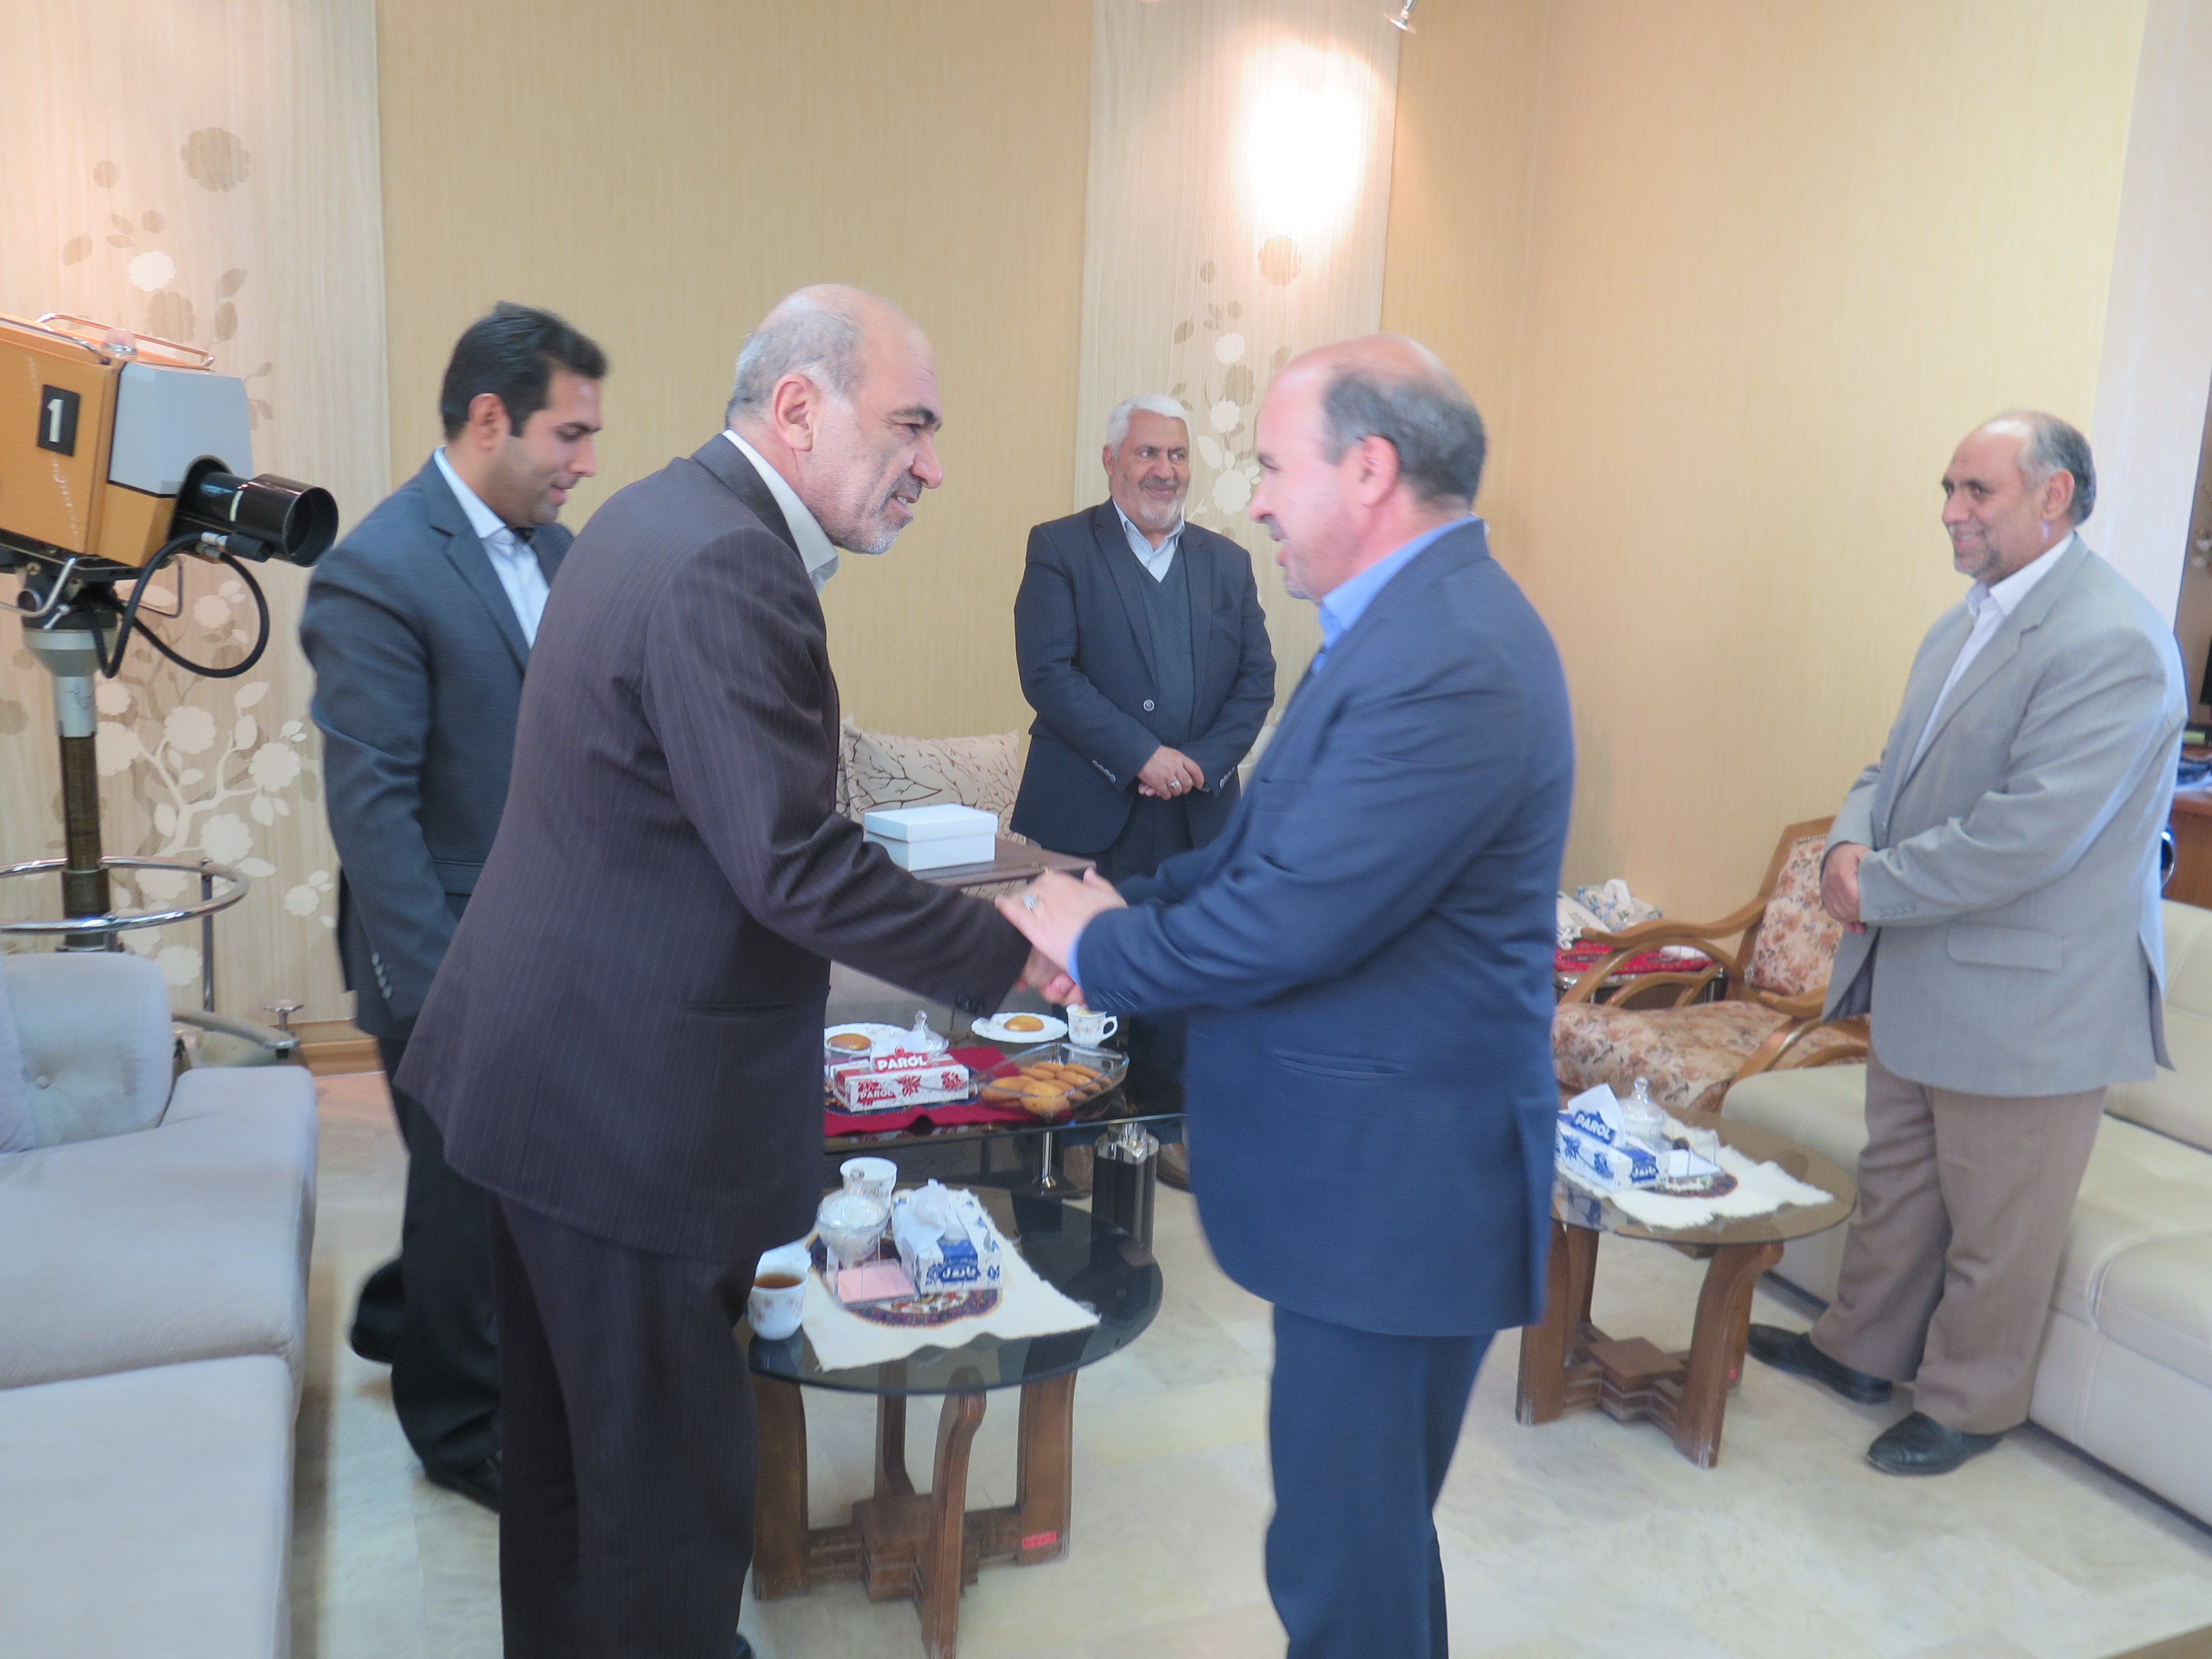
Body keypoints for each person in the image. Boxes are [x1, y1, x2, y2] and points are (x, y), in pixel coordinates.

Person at [395, 286, 1046, 1659]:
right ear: (799, 409)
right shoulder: (726, 565)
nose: (932, 467)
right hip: (621, 1114)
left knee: (567, 1473)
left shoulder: (655, 513)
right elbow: (789, 864)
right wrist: (1020, 945)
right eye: (912, 426)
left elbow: (706, 820)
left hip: (542, 1079)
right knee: (668, 1505)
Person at [1000, 336, 1571, 1659]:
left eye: (1268, 466)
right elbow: (1260, 855)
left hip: (1398, 1193)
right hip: (1367, 1187)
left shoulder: (1452, 653)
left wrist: (1103, 949)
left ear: (1367, 469)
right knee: (1360, 1545)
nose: (1249, 500)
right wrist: (1116, 901)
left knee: (1338, 1569)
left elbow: (1291, 920)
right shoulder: (1397, 625)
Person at [1747, 413, 2185, 1475]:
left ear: (2055, 497)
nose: (1951, 512)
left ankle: (1969, 1405)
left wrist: (1875, 886)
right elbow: (1889, 767)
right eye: (1948, 488)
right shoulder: (1964, 624)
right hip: (1927, 970)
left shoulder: (2116, 641)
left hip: (2034, 999)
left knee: (2000, 1227)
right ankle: (1858, 1351)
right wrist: (1845, 846)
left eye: (1977, 491)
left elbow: (2030, 833)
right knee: (1897, 1190)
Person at [299, 302, 606, 1511]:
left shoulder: (561, 554)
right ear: (491, 418)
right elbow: (372, 809)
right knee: (466, 1189)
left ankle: (407, 1314)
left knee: (505, 1186)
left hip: (555, 936)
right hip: (443, 947)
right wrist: (442, 1000)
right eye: (569, 433)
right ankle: (459, 1428)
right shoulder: (377, 569)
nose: (586, 461)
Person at [1009, 393, 1275, 1181]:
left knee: (1183, 979)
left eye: (1178, 454)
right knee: (1078, 977)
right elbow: (1048, 673)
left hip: (1198, 815)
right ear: (1111, 461)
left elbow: (1256, 680)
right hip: (1087, 810)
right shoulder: (1060, 547)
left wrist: (1201, 761)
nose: (1165, 470)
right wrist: (1141, 756)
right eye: (1148, 452)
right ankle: (1071, 1139)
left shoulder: (1229, 563)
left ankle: (1169, 1133)